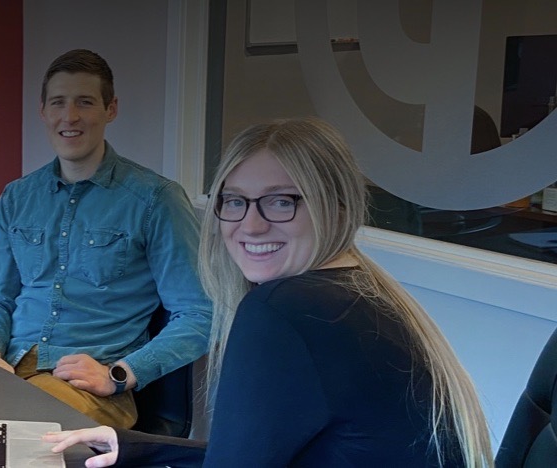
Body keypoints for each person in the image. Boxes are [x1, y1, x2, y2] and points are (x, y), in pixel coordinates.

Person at [44, 118, 493, 467]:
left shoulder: (287, 309)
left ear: (335, 206)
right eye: (235, 201)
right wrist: (135, 447)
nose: (251, 224)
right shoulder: (359, 293)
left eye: (282, 200)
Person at [0, 49, 212, 428]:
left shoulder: (155, 199)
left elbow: (200, 314)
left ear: (110, 109)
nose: (70, 117)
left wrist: (121, 373)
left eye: (85, 102)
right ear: (43, 111)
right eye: (59, 103)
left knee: (10, 434)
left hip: (88, 382)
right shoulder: (16, 198)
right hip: (11, 369)